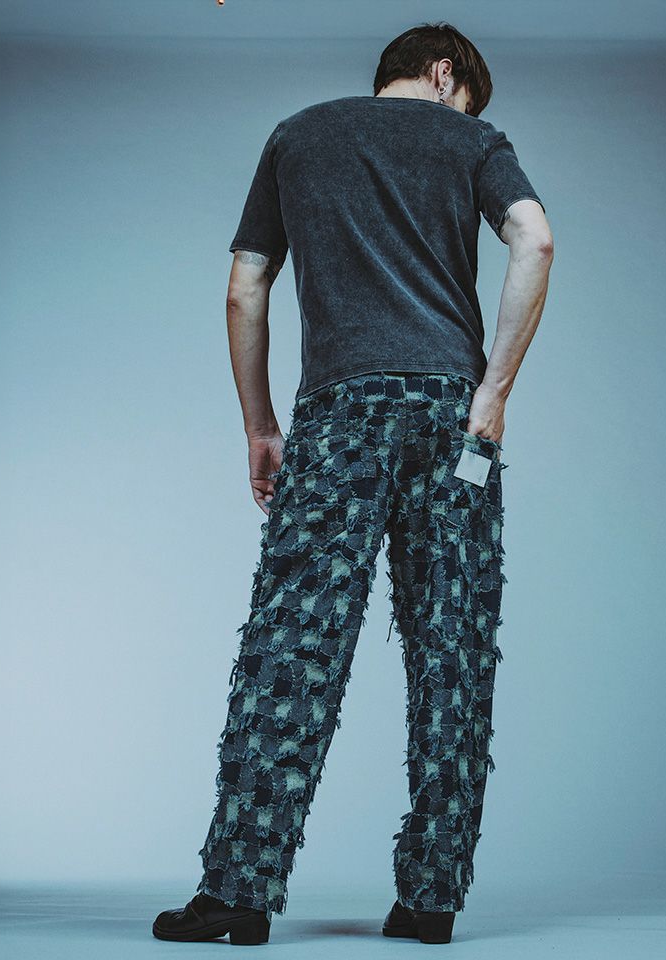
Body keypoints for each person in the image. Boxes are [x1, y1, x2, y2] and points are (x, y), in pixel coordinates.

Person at [152, 20, 553, 947]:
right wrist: (493, 394)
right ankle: (431, 902)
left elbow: (244, 288)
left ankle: (238, 895)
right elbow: (534, 241)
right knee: (453, 647)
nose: (465, 115)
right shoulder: (474, 142)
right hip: (454, 416)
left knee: (294, 645)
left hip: (337, 411)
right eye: (466, 99)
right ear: (446, 73)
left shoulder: (297, 137)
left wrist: (260, 428)